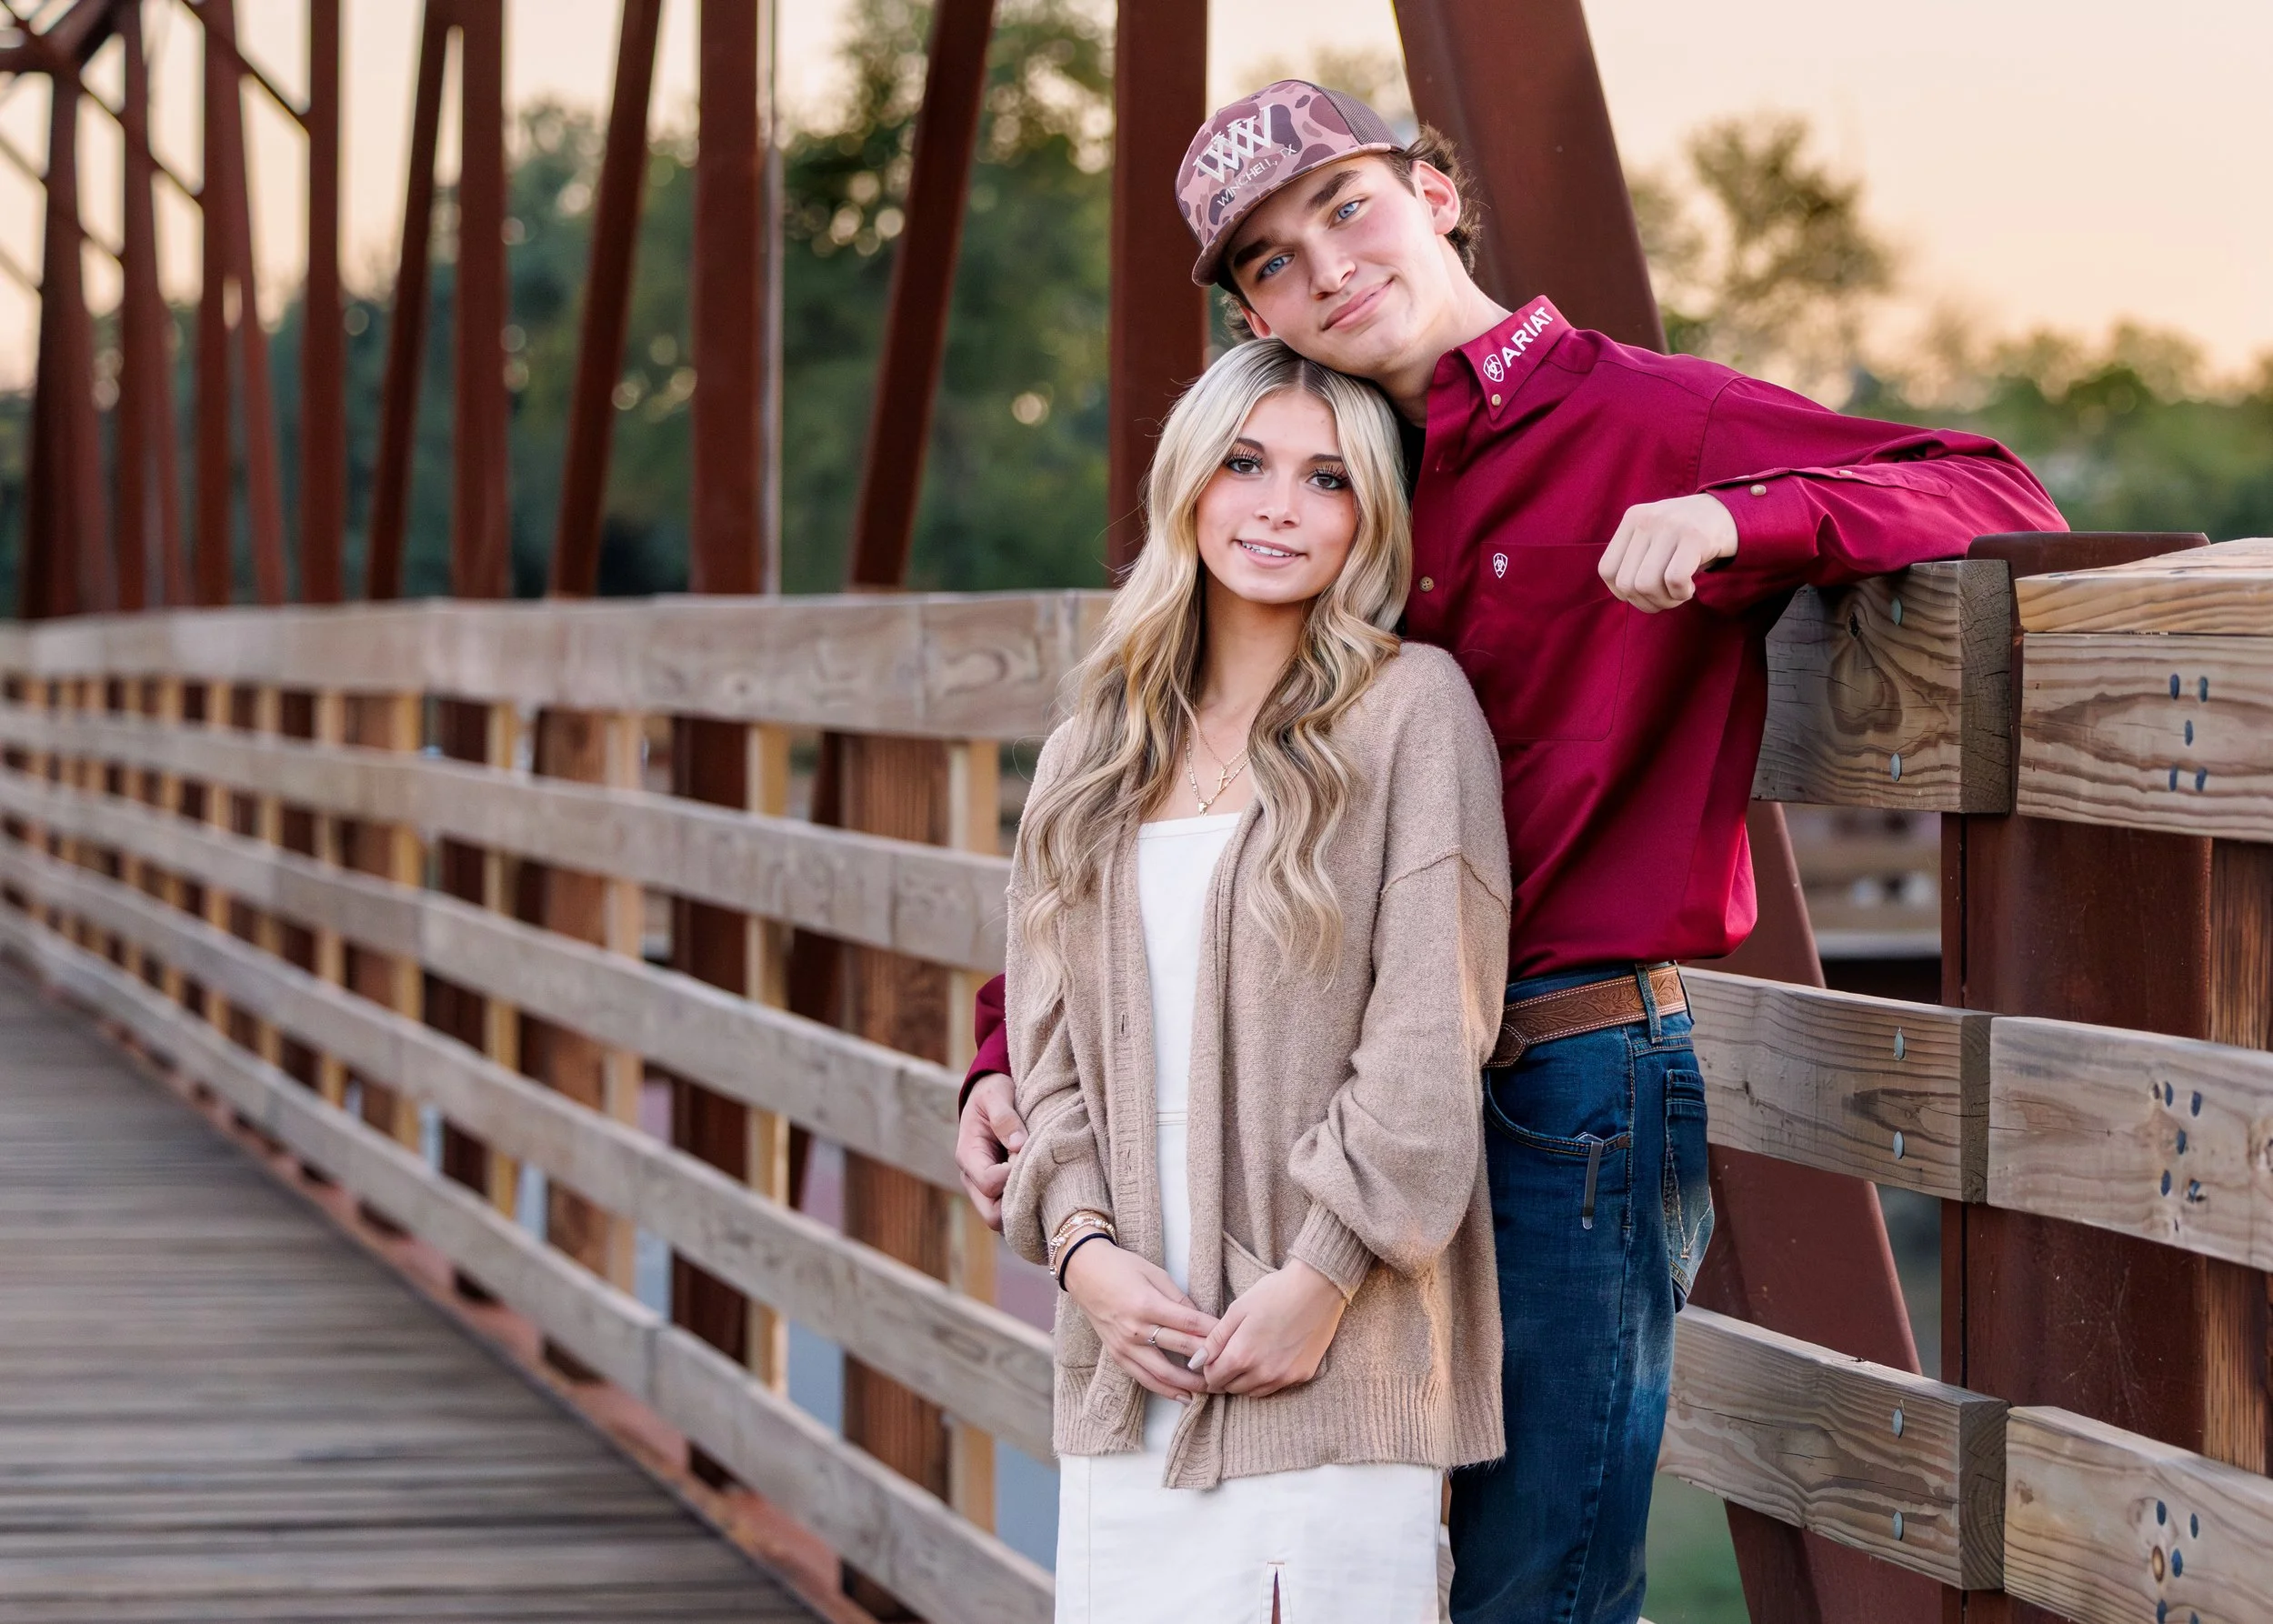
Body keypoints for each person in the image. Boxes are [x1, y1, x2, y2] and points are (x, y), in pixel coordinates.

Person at [971, 83, 2067, 1621]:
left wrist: (1743, 523)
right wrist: (1003, 1046)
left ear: (1436, 191)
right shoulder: (1326, 461)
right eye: (1273, 261)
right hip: (1331, 1086)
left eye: (1346, 206)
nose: (1328, 267)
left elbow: (1997, 487)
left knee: (1532, 1581)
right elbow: (1159, 804)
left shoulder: (1646, 418)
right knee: (1329, 1565)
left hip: (1563, 1081)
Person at [1001, 335, 1509, 1622]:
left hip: (1329, 1358)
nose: (1280, 506)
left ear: (1371, 520)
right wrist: (1084, 1257)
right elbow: (1042, 1046)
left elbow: (1428, 1037)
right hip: (1133, 1355)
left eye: (1328, 480)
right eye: (1246, 463)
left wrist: (1322, 1276)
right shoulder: (1091, 750)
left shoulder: (1411, 713)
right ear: (1190, 482)